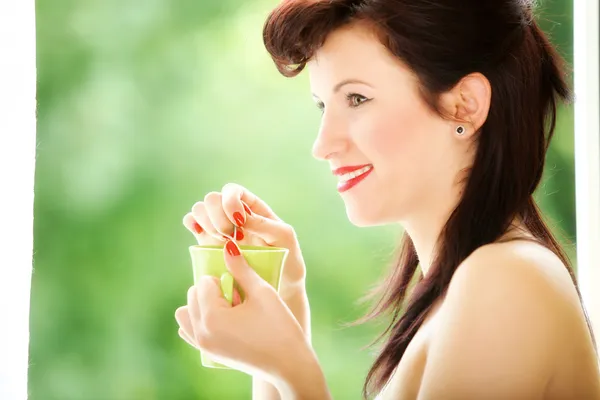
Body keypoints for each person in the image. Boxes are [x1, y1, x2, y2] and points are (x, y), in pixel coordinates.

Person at [174, 0, 600, 398]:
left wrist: (294, 369)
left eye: (357, 99)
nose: (322, 145)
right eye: (323, 106)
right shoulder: (465, 286)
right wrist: (284, 310)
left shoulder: (507, 281)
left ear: (464, 106)